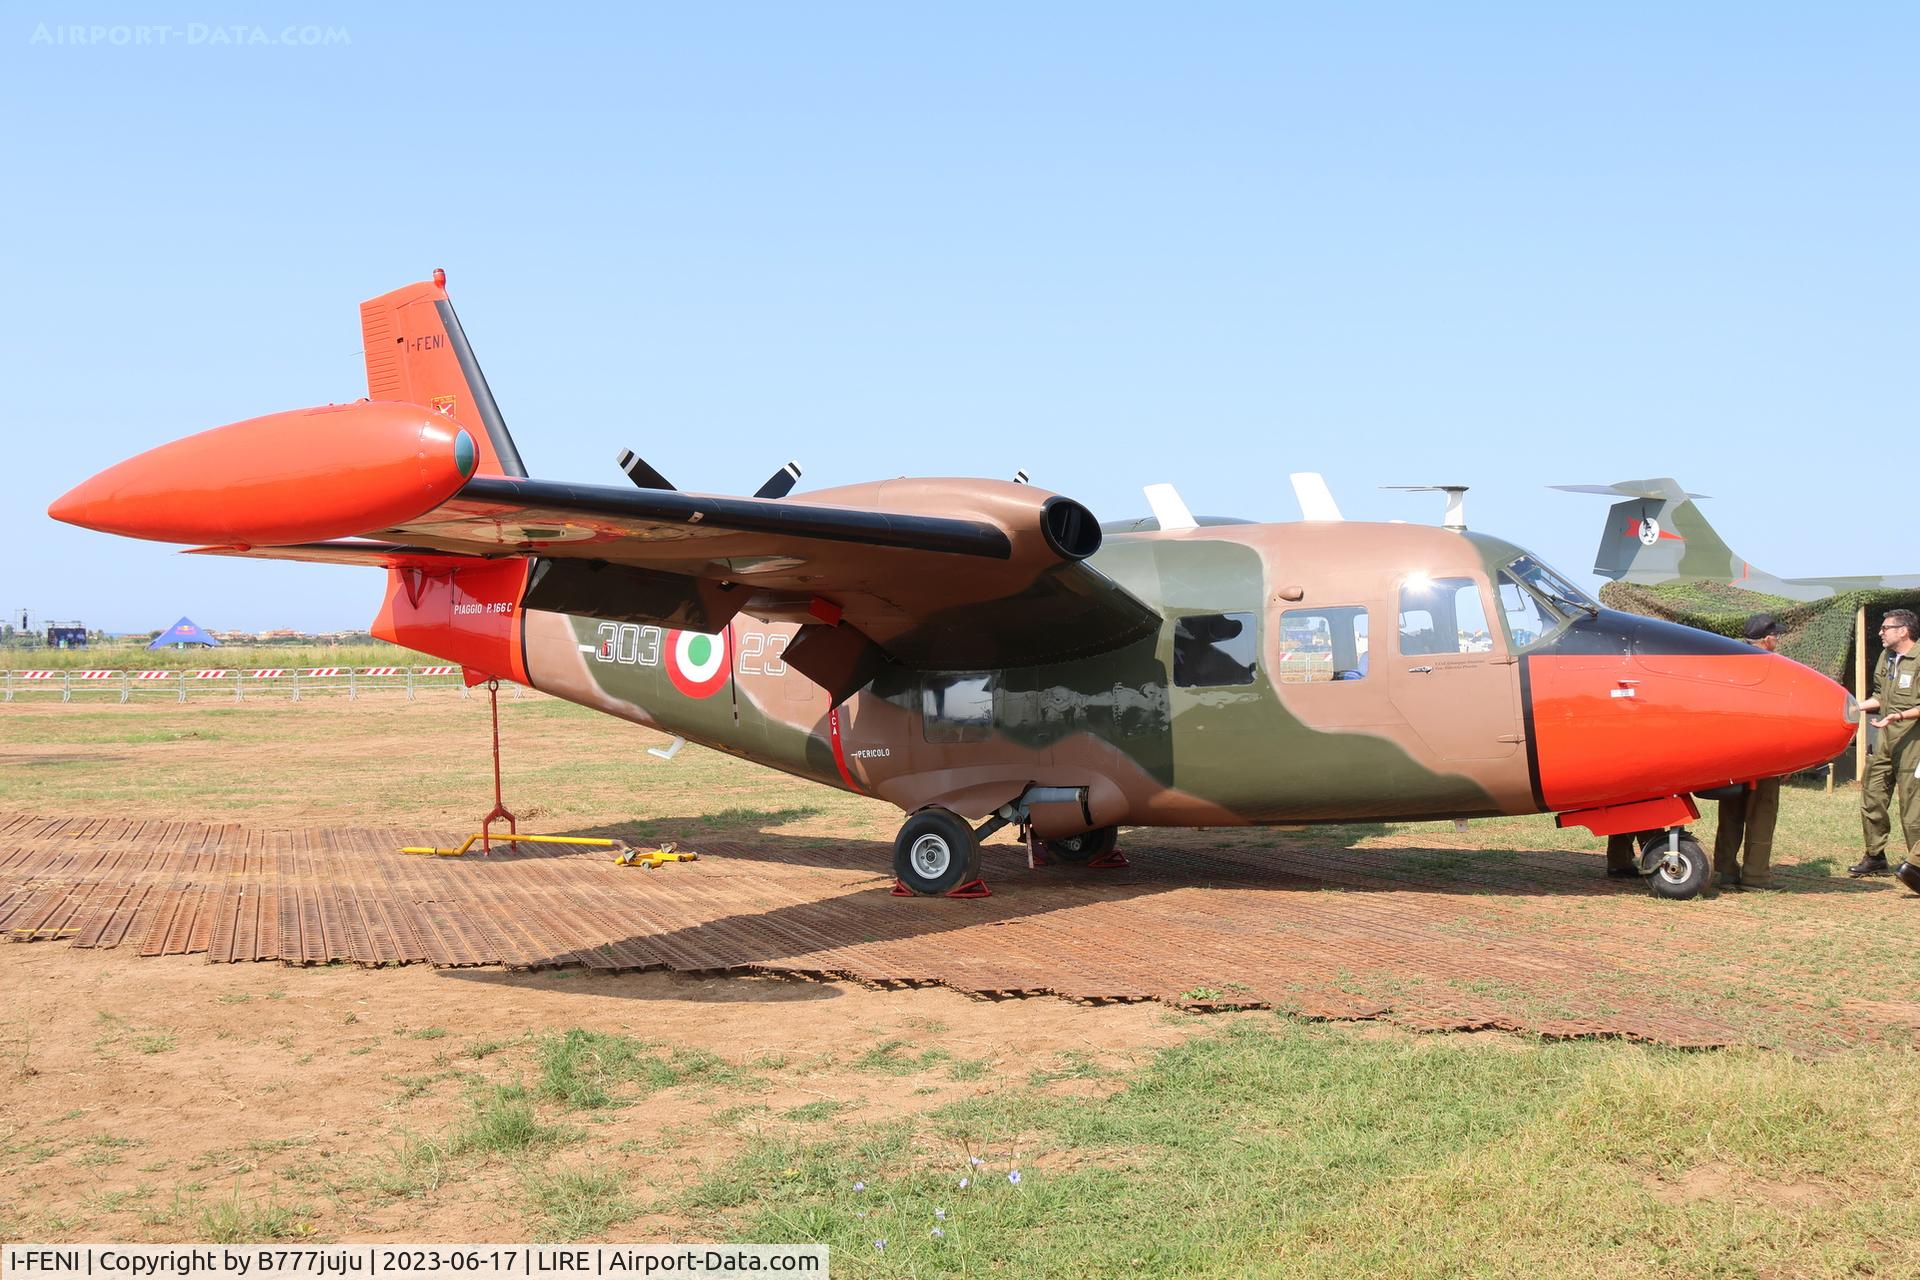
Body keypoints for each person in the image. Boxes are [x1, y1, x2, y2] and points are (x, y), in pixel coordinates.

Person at [1713, 614, 1786, 889]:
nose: (1777, 640)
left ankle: (1726, 873)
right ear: (1767, 639)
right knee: (1762, 814)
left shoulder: (1730, 663)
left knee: (1730, 813)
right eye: (1775, 636)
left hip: (1735, 755)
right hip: (1766, 754)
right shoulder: (1776, 667)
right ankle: (1756, 876)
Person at [1856, 608, 1920, 889]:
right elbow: (1880, 696)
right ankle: (1875, 856)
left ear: (1903, 631)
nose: (1880, 632)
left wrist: (1901, 716)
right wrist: (1853, 706)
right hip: (1885, 738)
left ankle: (1916, 868)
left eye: (1886, 628)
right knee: (1872, 796)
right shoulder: (1887, 657)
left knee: (1913, 807)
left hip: (1914, 743)